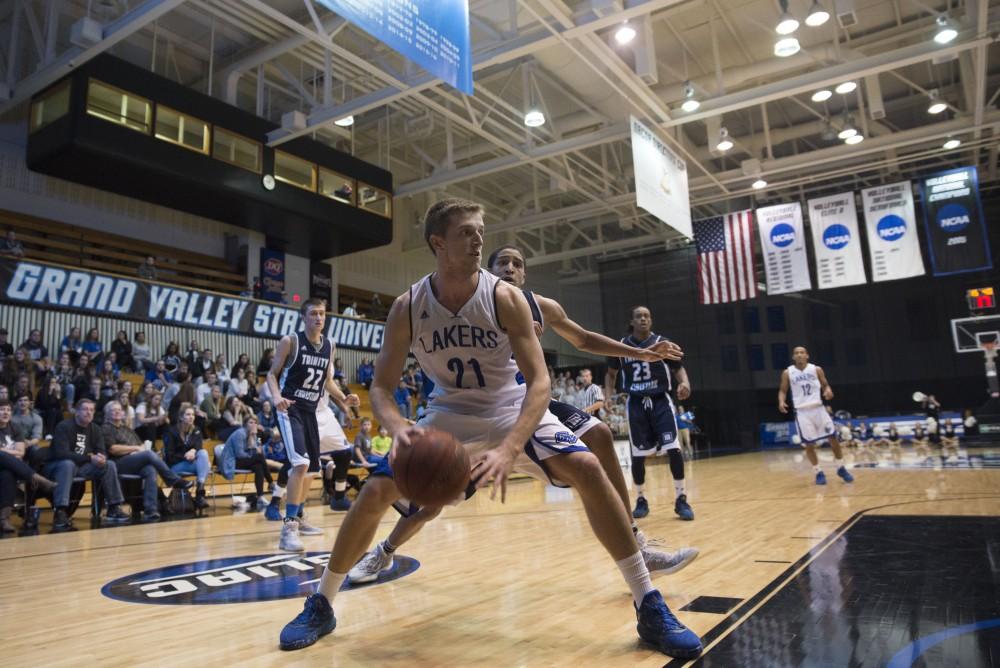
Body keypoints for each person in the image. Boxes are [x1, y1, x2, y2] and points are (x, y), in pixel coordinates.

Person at [278, 198, 701, 659]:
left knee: (588, 463)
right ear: (438, 242)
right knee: (375, 493)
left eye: (481, 230)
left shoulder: (505, 297)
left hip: (510, 407)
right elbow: (380, 387)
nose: (479, 239)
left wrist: (510, 447)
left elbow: (539, 381)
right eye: (466, 232)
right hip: (446, 415)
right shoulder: (410, 305)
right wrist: (398, 426)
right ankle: (322, 602)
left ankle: (648, 604)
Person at [348, 244, 697, 585]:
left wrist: (639, 353)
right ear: (489, 269)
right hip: (474, 411)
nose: (510, 268)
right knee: (432, 503)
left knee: (599, 435)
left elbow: (585, 339)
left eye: (517, 263)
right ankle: (385, 550)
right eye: (503, 263)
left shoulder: (540, 306)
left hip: (528, 403)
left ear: (525, 273)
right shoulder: (476, 301)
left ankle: (636, 544)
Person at [268, 298, 360, 552]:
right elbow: (271, 374)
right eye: (313, 314)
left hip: (311, 411)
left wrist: (344, 398)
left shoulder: (329, 346)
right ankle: (288, 529)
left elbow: (326, 382)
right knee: (300, 463)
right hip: (290, 408)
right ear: (304, 317)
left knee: (311, 470)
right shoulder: (291, 341)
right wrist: (276, 397)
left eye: (322, 314)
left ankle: (297, 517)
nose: (319, 318)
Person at [605, 306, 695, 521]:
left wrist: (685, 383)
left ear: (651, 321)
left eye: (647, 316)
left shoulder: (662, 343)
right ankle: (640, 499)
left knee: (674, 449)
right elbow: (610, 374)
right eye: (639, 316)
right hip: (635, 403)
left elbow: (678, 368)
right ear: (632, 321)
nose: (643, 319)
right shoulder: (621, 346)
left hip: (661, 401)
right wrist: (607, 395)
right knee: (638, 455)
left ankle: (681, 498)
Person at [44, 399, 131, 530]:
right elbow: (61, 454)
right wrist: (90, 458)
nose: (88, 412)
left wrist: (101, 458)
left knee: (109, 465)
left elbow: (101, 451)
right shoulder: (64, 426)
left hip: (82, 467)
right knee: (68, 464)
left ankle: (113, 508)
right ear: (76, 412)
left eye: (91, 410)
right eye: (85, 409)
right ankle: (60, 512)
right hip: (59, 466)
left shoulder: (95, 429)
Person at [102, 401, 192, 522]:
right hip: (117, 464)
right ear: (107, 414)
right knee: (149, 454)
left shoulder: (127, 429)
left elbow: (141, 445)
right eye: (114, 410)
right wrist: (135, 449)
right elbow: (113, 449)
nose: (117, 412)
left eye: (119, 409)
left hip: (135, 461)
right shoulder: (106, 428)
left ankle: (151, 510)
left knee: (150, 469)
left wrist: (139, 451)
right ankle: (174, 480)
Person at [778, 346, 854, 485]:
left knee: (833, 438)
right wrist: (781, 401)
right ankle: (818, 472)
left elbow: (825, 385)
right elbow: (783, 390)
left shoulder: (816, 369)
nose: (799, 355)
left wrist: (828, 390)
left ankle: (841, 467)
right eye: (796, 353)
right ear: (793, 357)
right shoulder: (787, 372)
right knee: (809, 444)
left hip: (818, 409)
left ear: (807, 355)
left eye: (802, 352)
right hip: (802, 412)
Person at [0, 399, 55, 533]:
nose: (5, 412)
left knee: (7, 474)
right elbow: (16, 453)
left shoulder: (14, 428)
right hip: (12, 463)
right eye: (2, 409)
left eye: (8, 410)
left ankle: (3, 519)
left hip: (9, 466)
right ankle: (37, 479)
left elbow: (21, 452)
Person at [163, 406, 210, 508]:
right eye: (188, 414)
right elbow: (169, 456)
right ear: (181, 417)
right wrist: (185, 456)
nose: (191, 417)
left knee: (203, 453)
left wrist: (193, 451)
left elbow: (199, 447)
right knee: (206, 464)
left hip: (191, 463)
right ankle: (200, 496)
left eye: (193, 415)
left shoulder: (196, 430)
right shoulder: (171, 432)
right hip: (175, 466)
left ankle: (199, 490)